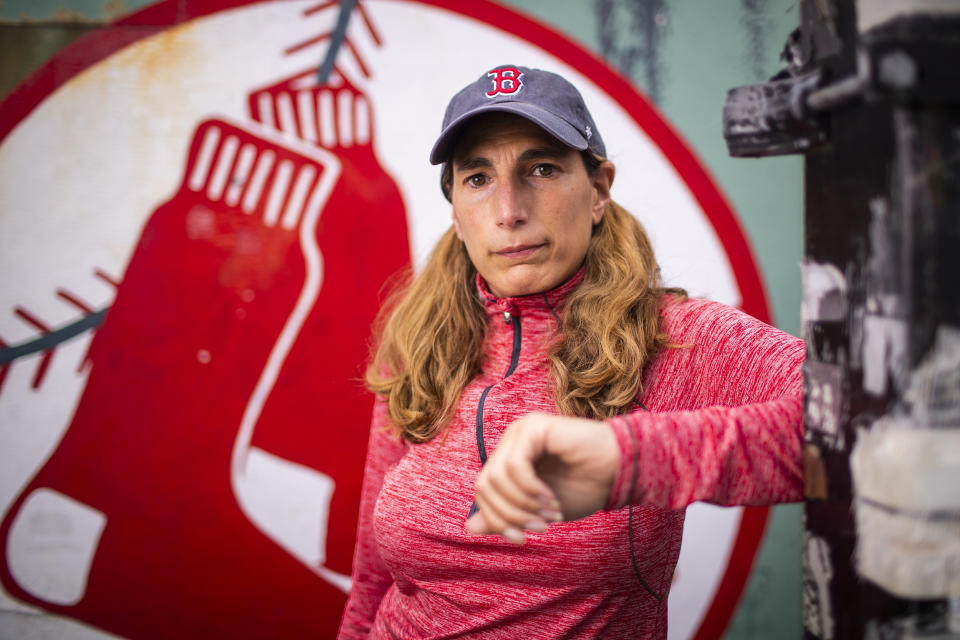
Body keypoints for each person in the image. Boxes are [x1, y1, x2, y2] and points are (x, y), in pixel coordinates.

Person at [338, 64, 804, 639]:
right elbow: (371, 583)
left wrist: (625, 459)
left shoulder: (672, 337)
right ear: (455, 213)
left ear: (599, 189)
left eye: (542, 168)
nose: (509, 210)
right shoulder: (420, 343)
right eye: (478, 178)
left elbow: (858, 426)